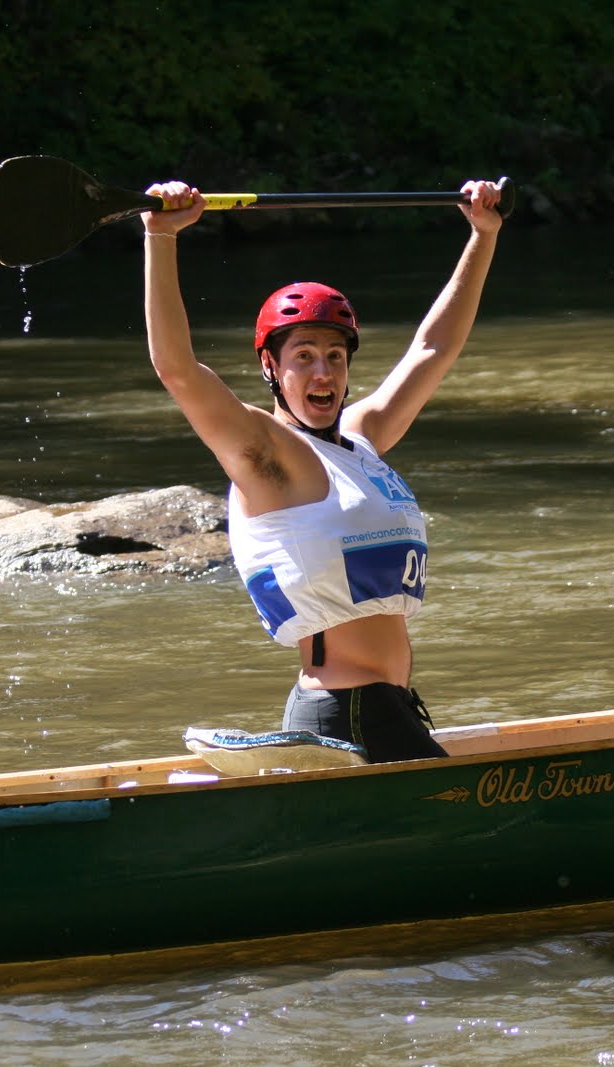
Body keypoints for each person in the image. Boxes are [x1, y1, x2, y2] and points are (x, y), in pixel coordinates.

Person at [141, 176, 504, 762]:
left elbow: (434, 349)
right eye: (303, 357)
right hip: (346, 710)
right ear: (270, 367)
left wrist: (481, 235)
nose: (323, 375)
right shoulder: (266, 454)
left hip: (388, 705)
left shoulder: (360, 442)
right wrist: (160, 236)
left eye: (335, 357)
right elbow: (178, 369)